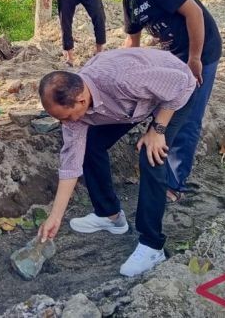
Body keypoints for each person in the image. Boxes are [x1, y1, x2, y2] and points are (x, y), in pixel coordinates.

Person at [36, 48, 202, 277]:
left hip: (174, 94)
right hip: (130, 106)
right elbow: (71, 162)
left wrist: (158, 128)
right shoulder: (75, 111)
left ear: (81, 100)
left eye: (65, 117)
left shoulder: (122, 79)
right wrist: (55, 216)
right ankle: (110, 216)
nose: (64, 123)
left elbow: (182, 82)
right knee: (90, 145)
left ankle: (152, 246)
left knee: (151, 154)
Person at [90, 0, 222, 204]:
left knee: (187, 118)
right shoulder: (130, 0)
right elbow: (132, 44)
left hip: (201, 52)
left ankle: (174, 183)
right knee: (164, 110)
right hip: (172, 59)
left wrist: (194, 58)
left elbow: (194, 13)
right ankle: (160, 171)